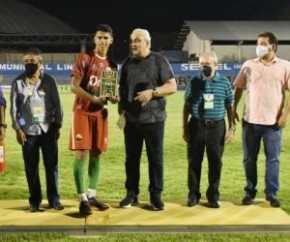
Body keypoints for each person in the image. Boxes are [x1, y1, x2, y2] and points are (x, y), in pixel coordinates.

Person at [118, 28, 177, 211]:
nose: (133, 44)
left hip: (154, 119)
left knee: (156, 159)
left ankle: (155, 196)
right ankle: (131, 194)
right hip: (132, 121)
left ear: (147, 43)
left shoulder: (159, 61)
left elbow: (172, 86)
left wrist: (152, 92)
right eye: (131, 41)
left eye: (137, 40)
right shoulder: (127, 63)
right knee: (131, 159)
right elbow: (122, 89)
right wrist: (121, 110)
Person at [234, 32, 290, 208]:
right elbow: (239, 88)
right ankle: (250, 191)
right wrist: (233, 108)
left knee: (273, 159)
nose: (259, 46)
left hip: (273, 123)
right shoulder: (248, 64)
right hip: (250, 121)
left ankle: (271, 193)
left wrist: (285, 115)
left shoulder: (285, 66)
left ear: (273, 46)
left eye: (263, 43)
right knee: (249, 158)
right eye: (258, 43)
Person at [69, 24, 119, 216]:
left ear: (111, 40)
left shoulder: (112, 65)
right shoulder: (85, 59)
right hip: (82, 113)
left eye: (106, 38)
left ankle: (91, 195)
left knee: (97, 154)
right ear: (94, 39)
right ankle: (82, 198)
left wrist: (114, 98)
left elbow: (109, 94)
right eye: (99, 37)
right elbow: (73, 86)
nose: (103, 41)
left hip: (101, 114)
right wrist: (92, 99)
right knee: (82, 154)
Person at [10, 47, 63, 212]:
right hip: (28, 133)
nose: (29, 65)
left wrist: (57, 126)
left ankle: (54, 200)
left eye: (32, 62)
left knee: (51, 166)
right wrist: (19, 128)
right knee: (31, 168)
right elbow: (14, 110)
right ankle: (35, 201)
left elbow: (58, 106)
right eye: (26, 62)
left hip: (48, 131)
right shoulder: (18, 83)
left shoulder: (49, 81)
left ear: (40, 62)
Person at [182, 51, 235, 209]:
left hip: (217, 127)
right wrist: (185, 127)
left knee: (215, 162)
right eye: (201, 65)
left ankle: (213, 196)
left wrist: (232, 127)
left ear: (215, 65)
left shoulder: (224, 82)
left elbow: (230, 104)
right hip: (196, 125)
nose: (204, 67)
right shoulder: (194, 82)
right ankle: (193, 195)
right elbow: (187, 105)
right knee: (194, 162)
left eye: (207, 64)